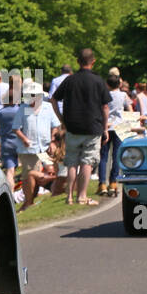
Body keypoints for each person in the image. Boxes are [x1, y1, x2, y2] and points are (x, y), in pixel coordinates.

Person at [49, 48, 109, 206]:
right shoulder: (98, 81)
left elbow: (53, 99)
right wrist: (105, 128)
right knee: (87, 161)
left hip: (72, 126)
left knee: (72, 162)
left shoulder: (70, 80)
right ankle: (81, 196)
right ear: (93, 62)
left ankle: (69, 196)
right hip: (93, 127)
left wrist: (62, 119)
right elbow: (105, 107)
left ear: (77, 62)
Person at [12, 81, 60, 210]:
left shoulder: (47, 107)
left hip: (45, 147)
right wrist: (24, 139)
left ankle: (32, 201)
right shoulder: (24, 108)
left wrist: (52, 141)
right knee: (29, 176)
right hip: (28, 149)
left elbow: (55, 125)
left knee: (45, 174)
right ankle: (29, 201)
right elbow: (16, 128)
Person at [97, 73, 127, 197]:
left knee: (103, 156)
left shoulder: (104, 95)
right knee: (116, 155)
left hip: (106, 126)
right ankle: (113, 181)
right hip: (119, 126)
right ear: (119, 84)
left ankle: (102, 183)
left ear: (107, 84)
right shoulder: (123, 95)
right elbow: (128, 107)